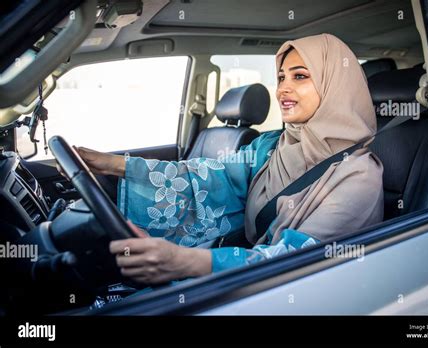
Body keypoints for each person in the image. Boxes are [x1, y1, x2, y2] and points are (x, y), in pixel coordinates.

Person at [74, 34, 384, 285]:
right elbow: (207, 177)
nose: (282, 89)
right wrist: (115, 165)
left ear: (334, 87)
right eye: (281, 77)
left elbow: (297, 260)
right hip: (244, 272)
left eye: (300, 76)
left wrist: (185, 261)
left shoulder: (358, 176)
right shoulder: (271, 143)